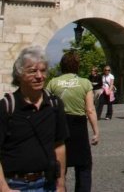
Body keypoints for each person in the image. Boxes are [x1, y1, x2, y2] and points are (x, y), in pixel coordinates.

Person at [0, 46, 68, 192]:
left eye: (43, 71)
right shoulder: (6, 106)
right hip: (15, 185)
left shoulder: (55, 104)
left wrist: (61, 184)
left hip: (48, 184)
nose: (39, 76)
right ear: (19, 74)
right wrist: (3, 187)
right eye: (32, 71)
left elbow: (59, 145)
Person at [46, 52, 100, 192]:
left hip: (58, 126)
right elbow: (90, 110)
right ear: (77, 66)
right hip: (78, 126)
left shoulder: (53, 83)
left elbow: (46, 106)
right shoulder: (85, 83)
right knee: (83, 165)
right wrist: (96, 131)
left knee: (59, 165)